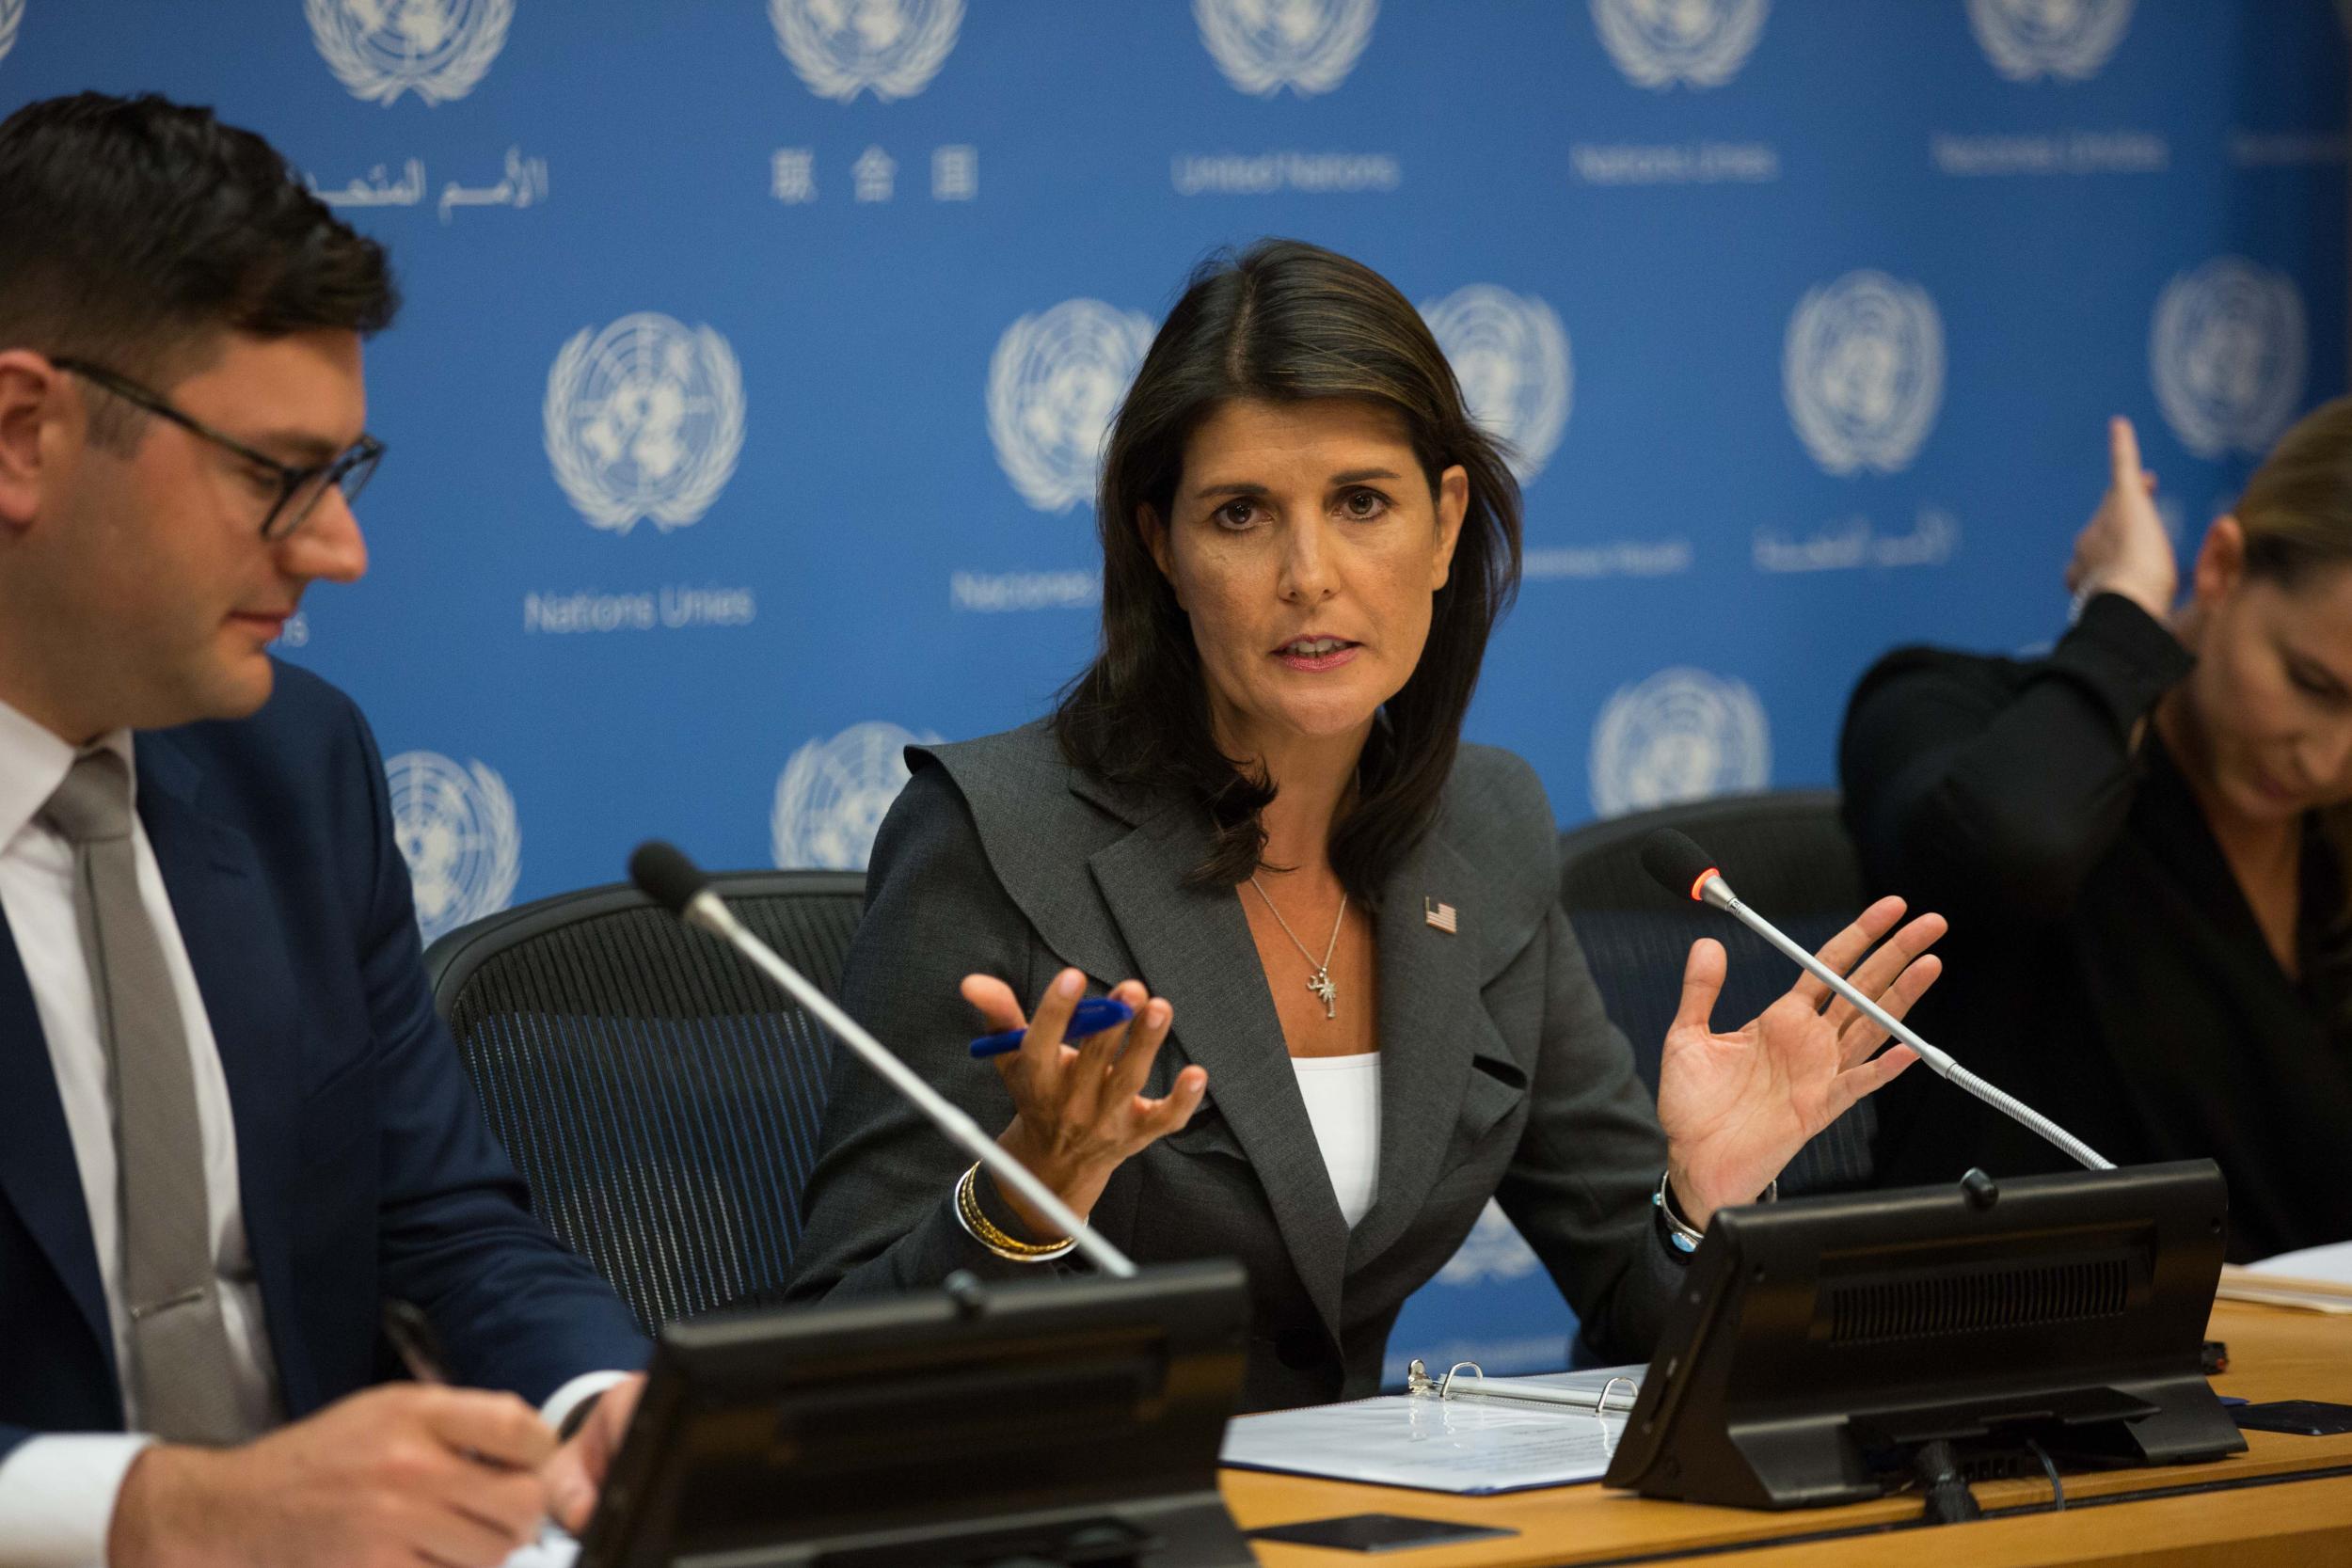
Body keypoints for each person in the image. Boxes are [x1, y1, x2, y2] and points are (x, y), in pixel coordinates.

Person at [787, 239, 1945, 1410]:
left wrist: (1703, 1200)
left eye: (1361, 502)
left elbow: (1639, 1315)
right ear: (1162, 547)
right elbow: (827, 1366)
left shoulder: (1485, 828)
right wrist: (1026, 1193)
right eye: (1240, 513)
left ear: (1444, 527)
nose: (1310, 573)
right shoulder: (996, 837)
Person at [0, 93, 649, 1568]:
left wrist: (600, 1399)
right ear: (25, 433)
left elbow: (444, 1227)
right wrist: (166, 1511)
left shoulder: (298, 762)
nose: (337, 550)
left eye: (340, 477)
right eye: (270, 473)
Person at [1841, 406, 2352, 1259]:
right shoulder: (1947, 712)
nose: (2329, 757)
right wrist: (2122, 620)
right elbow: (2015, 848)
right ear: (2221, 566)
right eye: (2311, 684)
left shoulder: (2335, 840)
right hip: (2016, 1357)